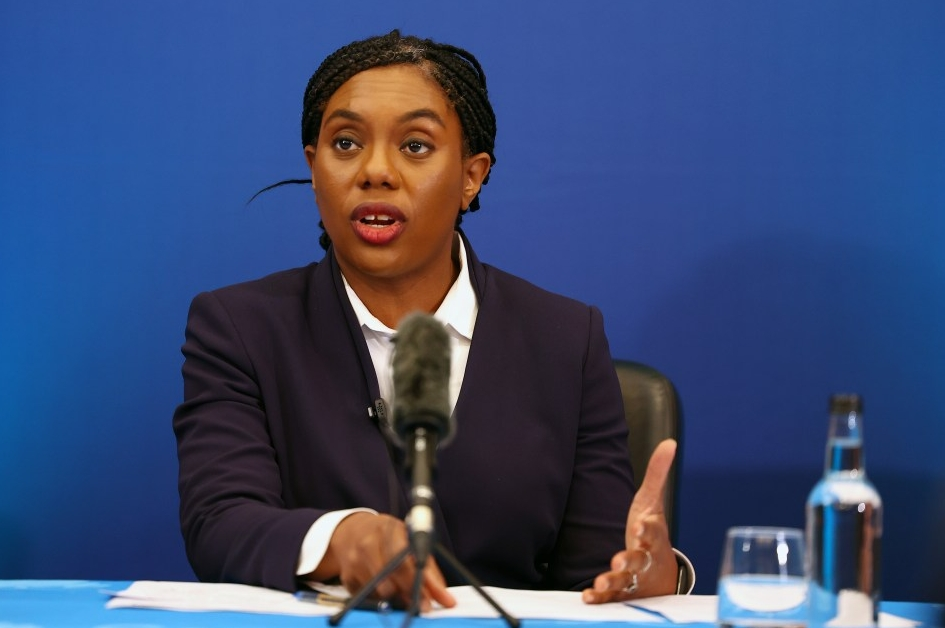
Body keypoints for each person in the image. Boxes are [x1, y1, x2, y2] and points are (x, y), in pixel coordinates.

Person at [173, 30, 692, 612]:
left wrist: (654, 576)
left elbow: (600, 576)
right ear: (314, 169)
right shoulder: (241, 328)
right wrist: (339, 540)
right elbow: (219, 522)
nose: (375, 171)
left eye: (415, 146)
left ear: (472, 176)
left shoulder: (565, 339)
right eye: (346, 143)